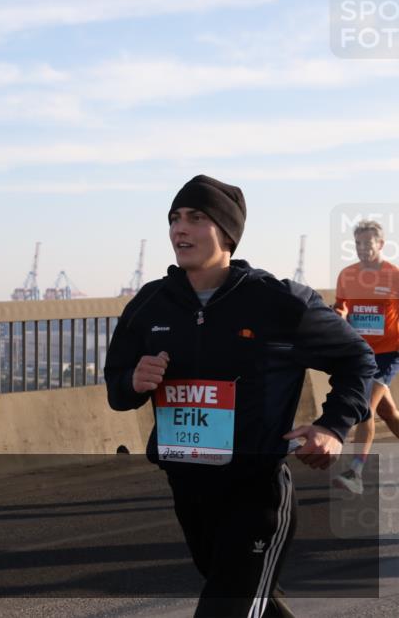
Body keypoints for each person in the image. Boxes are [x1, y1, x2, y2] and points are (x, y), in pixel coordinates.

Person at [104, 175, 374, 617]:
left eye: (195, 218)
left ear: (227, 232)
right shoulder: (150, 305)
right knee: (251, 602)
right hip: (187, 490)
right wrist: (133, 380)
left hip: (256, 494)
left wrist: (332, 426)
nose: (179, 229)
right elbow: (117, 389)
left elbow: (357, 360)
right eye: (174, 219)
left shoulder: (279, 302)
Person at [333, 220, 399, 494]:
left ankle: (355, 472)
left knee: (365, 409)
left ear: (380, 244)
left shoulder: (394, 275)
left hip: (387, 354)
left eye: (367, 243)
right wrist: (339, 315)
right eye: (358, 243)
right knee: (388, 412)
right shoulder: (347, 275)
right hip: (360, 353)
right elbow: (341, 307)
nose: (362, 248)